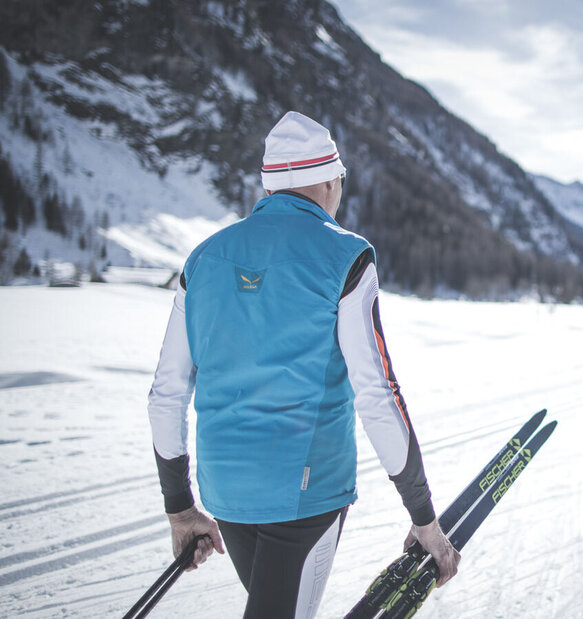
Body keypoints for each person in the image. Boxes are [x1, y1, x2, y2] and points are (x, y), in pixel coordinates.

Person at [146, 111, 459, 618]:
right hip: (307, 495)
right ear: (327, 182)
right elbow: (377, 393)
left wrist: (179, 505)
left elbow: (166, 394)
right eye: (340, 178)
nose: (341, 189)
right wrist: (424, 518)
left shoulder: (203, 259)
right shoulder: (346, 257)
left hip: (225, 491)